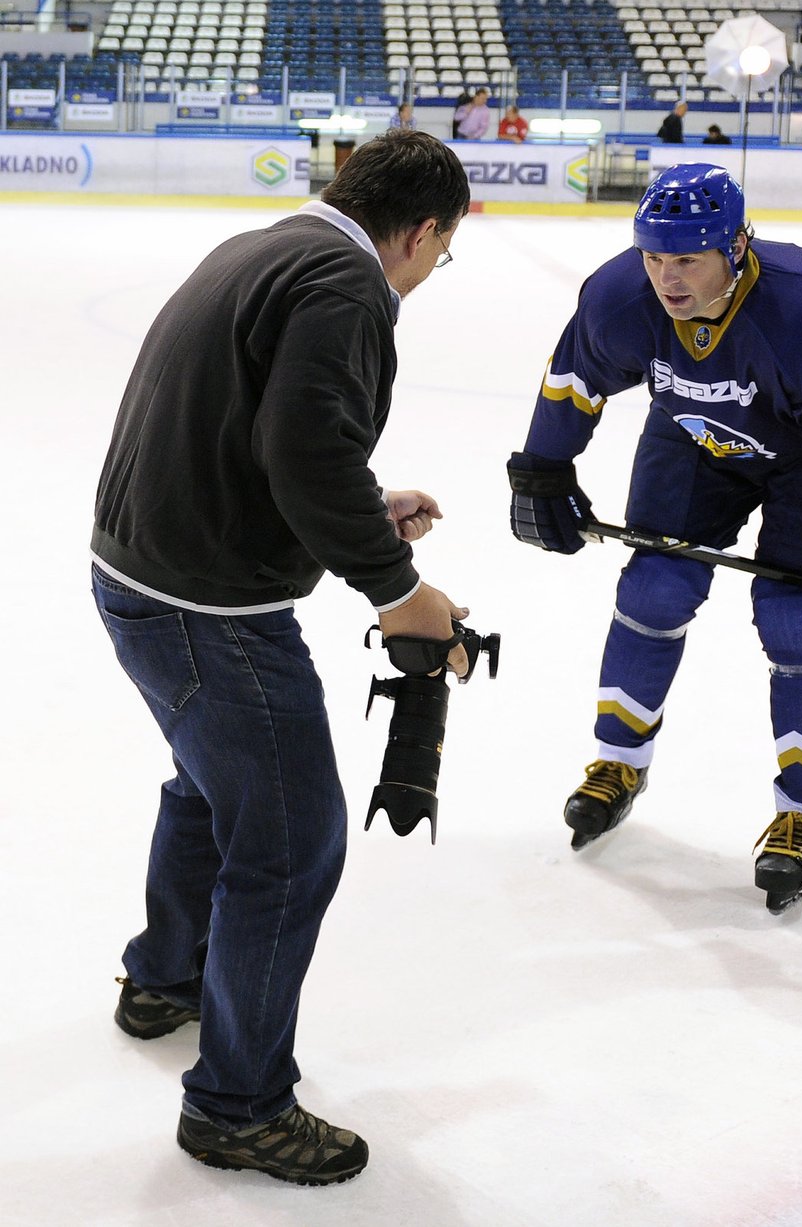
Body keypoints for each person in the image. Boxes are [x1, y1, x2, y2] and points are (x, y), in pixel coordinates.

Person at [91, 130, 472, 1185]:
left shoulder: (266, 245)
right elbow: (301, 446)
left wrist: (360, 508)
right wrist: (400, 593)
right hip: (206, 607)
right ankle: (238, 1106)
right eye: (444, 252)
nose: (435, 271)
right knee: (293, 843)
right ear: (424, 230)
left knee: (212, 787)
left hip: (141, 576)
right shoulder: (349, 286)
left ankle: (166, 978)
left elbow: (268, 435)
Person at [507, 163, 802, 914]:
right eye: (654, 256)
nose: (666, 277)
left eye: (687, 258)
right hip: (695, 432)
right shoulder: (620, 295)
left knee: (798, 617)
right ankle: (617, 762)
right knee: (653, 588)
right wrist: (542, 470)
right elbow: (572, 379)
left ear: (737, 247)